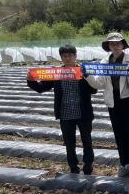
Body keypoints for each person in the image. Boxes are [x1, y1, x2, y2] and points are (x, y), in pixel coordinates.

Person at [27, 44, 97, 175]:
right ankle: (73, 168)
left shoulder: (82, 71)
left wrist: (88, 76)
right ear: (61, 58)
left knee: (87, 140)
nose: (68, 58)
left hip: (83, 113)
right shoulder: (57, 73)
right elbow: (42, 87)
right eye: (65, 56)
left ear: (75, 56)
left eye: (70, 55)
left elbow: (94, 90)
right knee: (69, 143)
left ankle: (88, 165)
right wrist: (30, 81)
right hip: (65, 113)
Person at [83, 33, 129, 178]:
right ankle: (124, 164)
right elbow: (99, 83)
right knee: (119, 133)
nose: (115, 46)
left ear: (123, 45)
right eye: (112, 44)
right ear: (109, 46)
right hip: (113, 102)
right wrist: (88, 75)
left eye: (118, 43)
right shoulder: (104, 62)